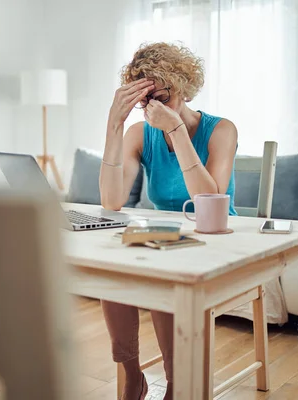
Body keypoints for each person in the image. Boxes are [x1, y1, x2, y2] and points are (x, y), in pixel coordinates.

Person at [99, 42, 238, 400]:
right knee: (112, 268)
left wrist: (176, 129)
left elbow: (208, 202)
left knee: (164, 277)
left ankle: (177, 384)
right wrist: (115, 125)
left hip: (218, 238)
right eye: (147, 101)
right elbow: (112, 200)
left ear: (184, 86)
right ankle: (133, 376)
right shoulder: (139, 135)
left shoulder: (221, 130)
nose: (155, 108)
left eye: (164, 96)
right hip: (169, 236)